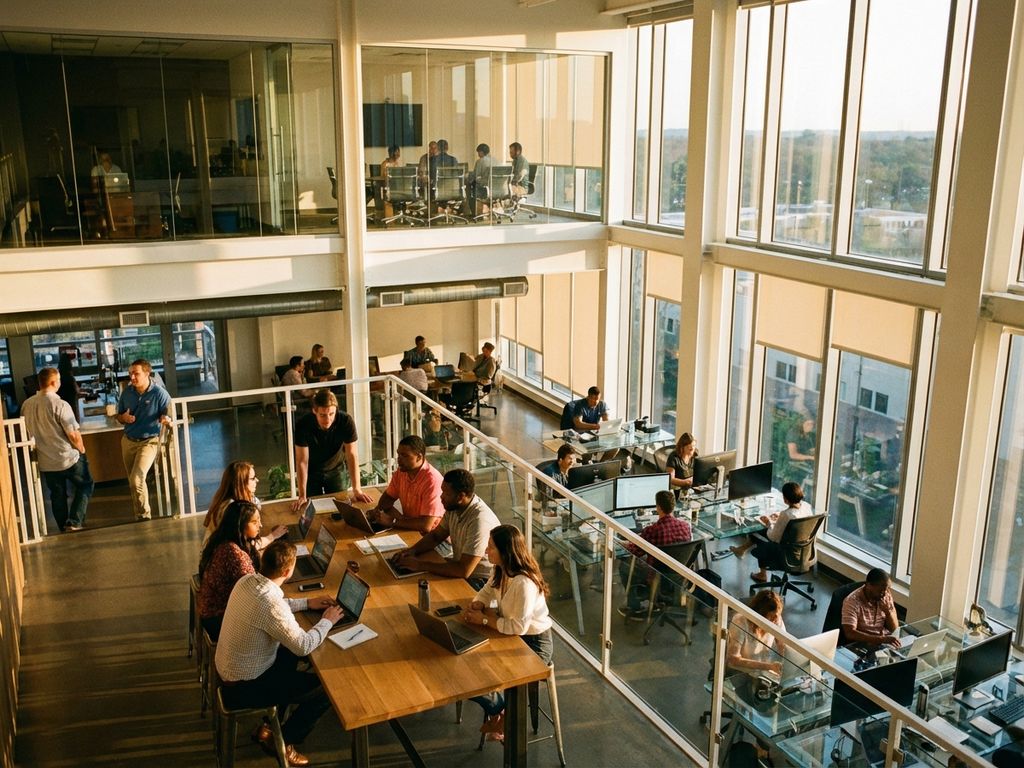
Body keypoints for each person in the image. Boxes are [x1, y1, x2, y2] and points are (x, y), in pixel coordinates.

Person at [215, 540, 342, 767]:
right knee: (327, 689)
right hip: (244, 687)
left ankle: (267, 725)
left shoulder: (247, 581)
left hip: (230, 670)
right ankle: (284, 741)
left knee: (289, 653)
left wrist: (307, 603)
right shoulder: (270, 603)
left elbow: (275, 604)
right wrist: (327, 621)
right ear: (288, 571)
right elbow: (303, 644)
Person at [464, 524, 553, 741]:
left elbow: (518, 627)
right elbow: (485, 592)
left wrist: (485, 619)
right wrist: (478, 604)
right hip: (513, 636)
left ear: (506, 552)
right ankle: (501, 711)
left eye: (491, 547)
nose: (486, 551)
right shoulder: (501, 569)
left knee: (478, 674)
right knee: (468, 668)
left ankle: (502, 712)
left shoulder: (524, 583)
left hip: (534, 645)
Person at [393, 468, 499, 588]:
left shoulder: (479, 521)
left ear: (460, 497)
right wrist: (411, 551)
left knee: (423, 587)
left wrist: (420, 565)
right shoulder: (453, 507)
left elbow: (464, 570)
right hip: (460, 567)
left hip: (480, 581)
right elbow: (436, 536)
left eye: (446, 494)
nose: (441, 497)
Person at [21, 367, 94, 532]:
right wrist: (82, 450)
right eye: (59, 380)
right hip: (67, 457)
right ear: (54, 382)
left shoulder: (27, 405)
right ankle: (74, 521)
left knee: (57, 495)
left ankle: (63, 527)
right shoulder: (60, 404)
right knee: (86, 485)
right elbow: (73, 434)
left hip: (46, 460)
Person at [617, 489, 691, 618]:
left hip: (656, 573)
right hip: (679, 572)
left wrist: (620, 542)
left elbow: (635, 551)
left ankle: (635, 608)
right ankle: (661, 597)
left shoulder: (652, 530)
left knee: (625, 565)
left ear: (658, 507)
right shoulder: (685, 526)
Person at [292, 389, 372, 508]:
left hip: (336, 469)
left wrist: (357, 489)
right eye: (323, 415)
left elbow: (352, 455)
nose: (328, 419)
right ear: (314, 411)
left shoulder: (346, 421)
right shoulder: (303, 425)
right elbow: (302, 461)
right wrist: (302, 495)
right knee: (310, 508)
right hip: (311, 472)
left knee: (341, 507)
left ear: (336, 410)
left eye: (331, 414)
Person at [197, 500, 262, 641]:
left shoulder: (224, 540)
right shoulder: (233, 553)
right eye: (255, 522)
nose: (260, 525)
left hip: (212, 613)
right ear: (241, 525)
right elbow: (257, 594)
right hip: (219, 619)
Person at [116, 359, 172, 521]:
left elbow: (169, 413)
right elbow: (119, 416)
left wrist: (165, 418)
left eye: (136, 373)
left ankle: (143, 515)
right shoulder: (127, 393)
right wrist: (123, 418)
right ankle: (138, 513)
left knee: (137, 478)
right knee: (133, 481)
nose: (132, 377)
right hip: (128, 440)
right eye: (130, 374)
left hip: (149, 441)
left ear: (147, 373)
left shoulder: (159, 393)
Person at [202, 461, 286, 549]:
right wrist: (272, 536)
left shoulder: (243, 500)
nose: (257, 480)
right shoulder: (231, 509)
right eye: (253, 478)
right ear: (241, 483)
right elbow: (245, 546)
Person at [368, 435, 444, 531]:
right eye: (398, 454)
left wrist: (392, 521)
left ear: (419, 457)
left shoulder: (432, 481)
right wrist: (377, 513)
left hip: (435, 538)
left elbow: (426, 525)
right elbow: (385, 502)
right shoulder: (401, 472)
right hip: (410, 529)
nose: (399, 459)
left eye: (405, 455)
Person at [745, 482, 813, 581]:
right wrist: (779, 519)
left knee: (759, 535)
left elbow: (773, 537)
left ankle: (762, 574)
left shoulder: (787, 515)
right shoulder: (807, 507)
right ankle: (742, 549)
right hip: (804, 552)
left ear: (785, 499)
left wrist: (769, 522)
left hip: (786, 555)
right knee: (763, 533)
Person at [726, 589, 786, 678]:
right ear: (760, 615)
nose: (775, 621)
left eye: (776, 617)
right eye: (771, 617)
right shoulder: (740, 622)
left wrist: (785, 663)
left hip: (763, 672)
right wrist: (769, 667)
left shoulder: (776, 619)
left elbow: (782, 644)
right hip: (741, 672)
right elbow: (734, 659)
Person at [841, 568, 901, 648]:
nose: (884, 594)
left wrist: (888, 612)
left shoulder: (886, 596)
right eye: (881, 591)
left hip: (885, 641)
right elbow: (850, 633)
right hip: (866, 644)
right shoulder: (852, 602)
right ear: (869, 586)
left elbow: (894, 629)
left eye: (887, 589)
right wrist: (881, 639)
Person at [466, 143, 494, 215]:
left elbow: (476, 176)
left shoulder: (480, 161)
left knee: (469, 187)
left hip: (485, 189)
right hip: (497, 190)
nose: (478, 155)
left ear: (481, 152)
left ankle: (473, 213)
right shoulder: (496, 161)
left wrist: (468, 178)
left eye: (478, 153)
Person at [56, 353, 82, 421]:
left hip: (64, 410)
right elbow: (77, 392)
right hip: (71, 409)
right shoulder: (69, 377)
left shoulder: (59, 375)